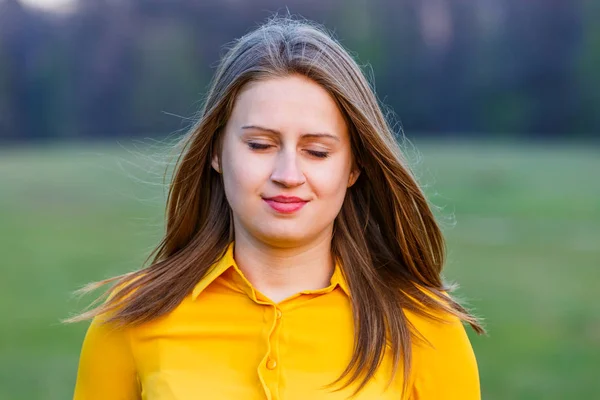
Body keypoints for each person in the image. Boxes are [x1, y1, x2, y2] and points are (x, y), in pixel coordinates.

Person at [69, 16, 483, 400]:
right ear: (216, 151)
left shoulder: (426, 327)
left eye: (317, 151)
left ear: (354, 166)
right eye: (260, 145)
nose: (288, 174)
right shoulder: (131, 318)